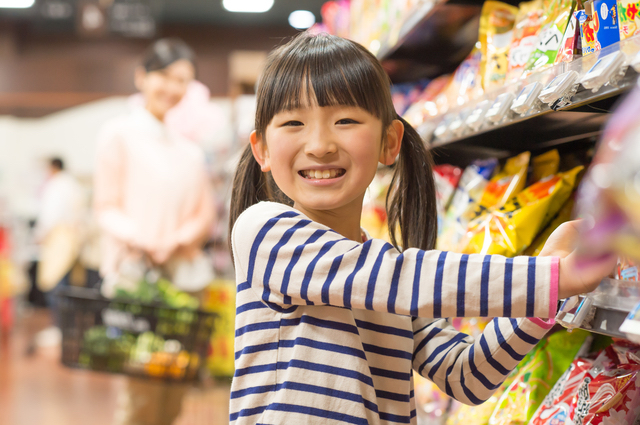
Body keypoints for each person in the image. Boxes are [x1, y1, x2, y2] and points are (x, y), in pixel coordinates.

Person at [227, 32, 616, 424]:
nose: (320, 145)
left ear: (389, 141)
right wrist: (554, 277)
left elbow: (467, 376)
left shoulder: (386, 284)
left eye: (345, 120)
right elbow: (393, 276)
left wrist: (542, 296)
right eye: (293, 122)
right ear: (261, 149)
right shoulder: (264, 232)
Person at [93, 38, 215, 425]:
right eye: (165, 76)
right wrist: (144, 241)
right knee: (140, 391)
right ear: (142, 77)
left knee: (176, 387)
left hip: (184, 281)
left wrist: (176, 242)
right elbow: (106, 206)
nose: (173, 88)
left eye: (184, 81)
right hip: (136, 281)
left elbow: (204, 213)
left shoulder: (190, 150)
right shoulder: (118, 135)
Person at [35, 157, 84, 336]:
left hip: (58, 239)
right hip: (71, 240)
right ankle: (66, 327)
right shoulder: (73, 185)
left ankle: (59, 328)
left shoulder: (56, 185)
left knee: (55, 285)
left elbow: (50, 215)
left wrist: (40, 236)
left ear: (53, 167)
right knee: (66, 284)